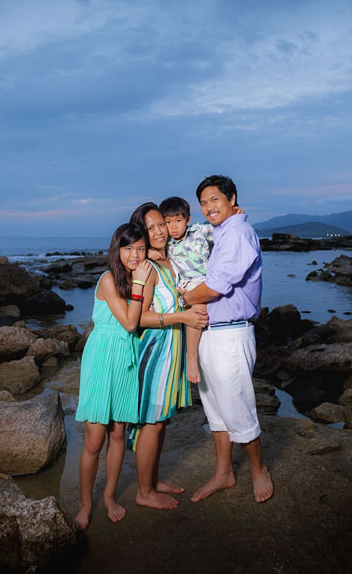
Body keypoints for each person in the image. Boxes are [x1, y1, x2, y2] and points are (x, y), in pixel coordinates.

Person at [182, 175, 274, 504]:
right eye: (204, 202)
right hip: (211, 331)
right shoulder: (222, 232)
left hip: (231, 333)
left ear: (231, 198)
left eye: (215, 200)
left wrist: (185, 299)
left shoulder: (237, 232)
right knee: (215, 409)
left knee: (236, 407)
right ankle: (224, 473)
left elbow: (216, 286)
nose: (208, 207)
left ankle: (259, 469)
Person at [129, 202, 208, 510]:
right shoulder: (146, 268)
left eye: (161, 224)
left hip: (171, 350)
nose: (160, 231)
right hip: (154, 351)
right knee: (151, 422)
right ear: (142, 233)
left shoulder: (168, 260)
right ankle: (143, 492)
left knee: (161, 422)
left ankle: (153, 480)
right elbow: (140, 318)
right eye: (151, 228)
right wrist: (183, 319)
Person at [74, 223, 152, 530]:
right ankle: (85, 505)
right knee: (94, 440)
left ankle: (108, 498)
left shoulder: (140, 278)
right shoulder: (108, 279)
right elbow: (131, 323)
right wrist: (141, 282)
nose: (135, 255)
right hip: (102, 356)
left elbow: (141, 320)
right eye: (128, 248)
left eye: (140, 249)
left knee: (119, 434)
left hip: (125, 358)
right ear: (116, 250)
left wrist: (143, 281)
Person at [159, 195, 213, 385]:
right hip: (187, 283)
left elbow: (225, 229)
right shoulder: (167, 244)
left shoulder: (200, 231)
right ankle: (191, 358)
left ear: (188, 220)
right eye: (168, 222)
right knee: (198, 308)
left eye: (178, 221)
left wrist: (236, 214)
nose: (173, 227)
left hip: (207, 278)